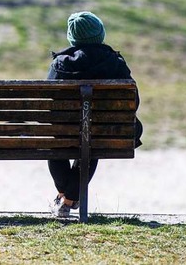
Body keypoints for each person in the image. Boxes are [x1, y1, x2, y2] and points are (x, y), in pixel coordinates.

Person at [47, 11, 143, 217]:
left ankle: (65, 197)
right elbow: (133, 102)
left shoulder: (61, 64)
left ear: (72, 38)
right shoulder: (115, 63)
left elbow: (49, 102)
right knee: (92, 140)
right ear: (100, 34)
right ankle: (70, 198)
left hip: (64, 131)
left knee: (54, 143)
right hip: (105, 131)